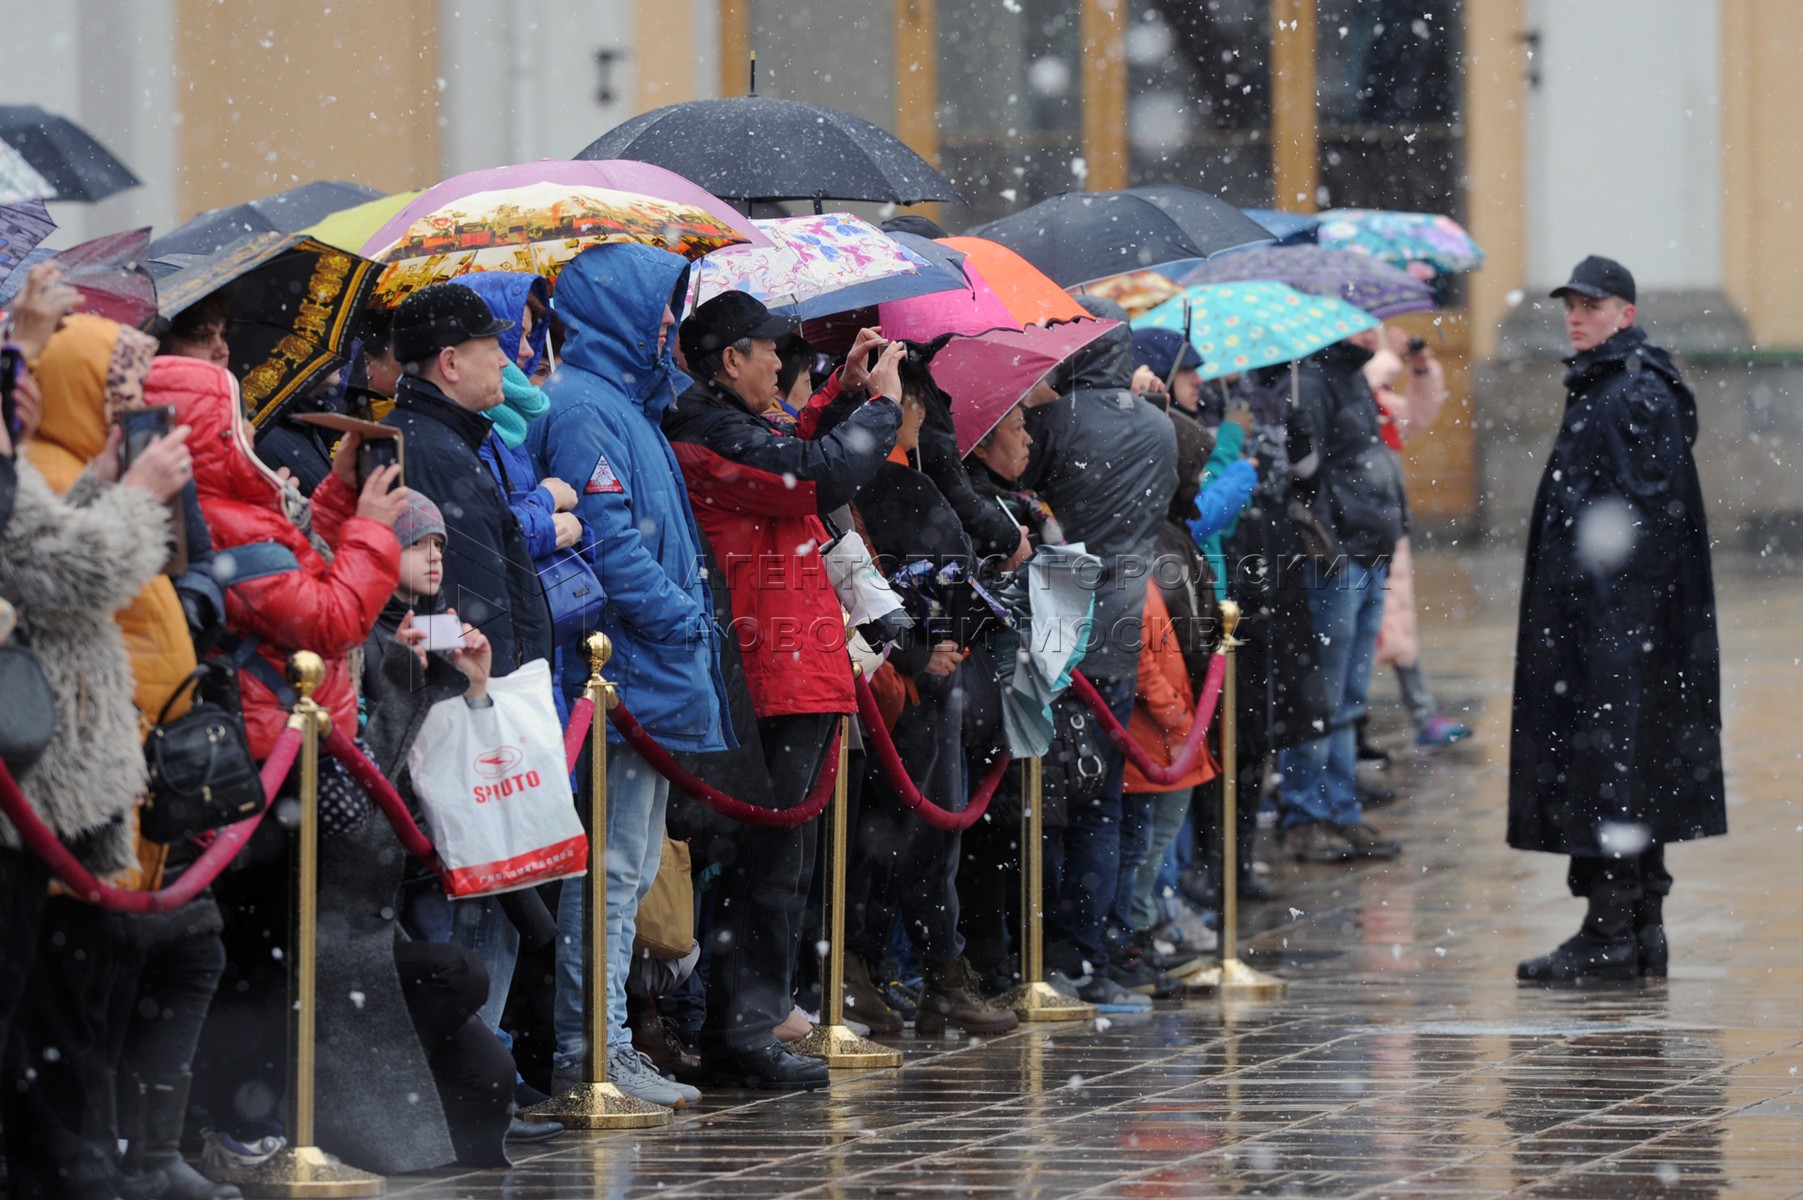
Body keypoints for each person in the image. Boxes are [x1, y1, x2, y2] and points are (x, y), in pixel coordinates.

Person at [664, 290, 902, 1089]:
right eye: (772, 351)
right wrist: (885, 413)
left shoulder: (730, 423)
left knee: (782, 866)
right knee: (765, 868)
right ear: (731, 359)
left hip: (795, 662)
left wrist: (845, 396)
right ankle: (742, 1030)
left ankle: (751, 1020)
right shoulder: (703, 431)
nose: (784, 364)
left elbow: (796, 443)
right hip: (770, 665)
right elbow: (808, 474)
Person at [527, 243, 728, 1109]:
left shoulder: (624, 404)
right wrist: (685, 622)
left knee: (628, 868)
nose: (667, 326)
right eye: (658, 307)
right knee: (609, 871)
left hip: (646, 673)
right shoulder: (585, 408)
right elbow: (612, 546)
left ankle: (602, 1043)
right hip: (624, 676)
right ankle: (590, 1052)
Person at [0, 310, 192, 1200]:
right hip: (47, 767)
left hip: (74, 767)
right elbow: (64, 575)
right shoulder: (27, 464)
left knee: (78, 979)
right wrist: (136, 496)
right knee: (52, 989)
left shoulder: (49, 468)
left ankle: (81, 1153)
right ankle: (67, 1158)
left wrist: (110, 486)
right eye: (112, 380)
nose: (131, 398)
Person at [1511, 256, 1723, 984]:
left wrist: (1609, 632)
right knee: (1624, 773)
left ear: (1623, 314)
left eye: (1591, 306)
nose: (1575, 316)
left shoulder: (1629, 394)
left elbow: (1637, 525)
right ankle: (1633, 928)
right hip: (1609, 632)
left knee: (1612, 770)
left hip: (1615, 635)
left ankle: (1613, 930)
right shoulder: (1609, 385)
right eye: (1569, 305)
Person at [1018, 296, 1178, 1009]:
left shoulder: (1051, 422)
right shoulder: (1158, 426)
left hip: (1053, 606)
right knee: (1101, 798)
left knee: (1042, 793)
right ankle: (1089, 950)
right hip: (1122, 611)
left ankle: (1044, 953)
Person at [1275, 327, 1407, 865]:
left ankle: (1341, 807)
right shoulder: (1311, 380)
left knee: (1350, 692)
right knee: (1321, 693)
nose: (1374, 328)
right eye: (1362, 316)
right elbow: (1305, 474)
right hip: (1338, 555)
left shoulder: (1352, 375)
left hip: (1370, 547)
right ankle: (1306, 813)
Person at [383, 281, 551, 678]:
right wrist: (493, 692)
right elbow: (476, 605)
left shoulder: (428, 438)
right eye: (494, 349)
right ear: (450, 364)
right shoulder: (437, 456)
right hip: (477, 691)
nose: (506, 362)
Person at [1362, 328, 1472, 751]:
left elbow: (1414, 416)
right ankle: (1352, 732)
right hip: (1354, 529)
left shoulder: (1375, 399)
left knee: (1397, 626)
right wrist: (1389, 355)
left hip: (1385, 524)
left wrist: (1422, 367)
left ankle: (1421, 716)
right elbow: (1362, 384)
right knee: (1360, 632)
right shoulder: (1343, 383)